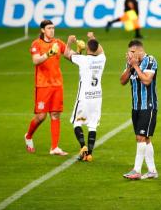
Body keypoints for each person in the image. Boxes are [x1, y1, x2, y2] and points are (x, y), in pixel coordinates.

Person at [24, 19, 69, 156]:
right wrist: (50, 53)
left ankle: (54, 147)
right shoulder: (36, 44)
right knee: (41, 116)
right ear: (43, 30)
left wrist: (77, 48)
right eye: (49, 28)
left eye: (53, 28)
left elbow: (69, 55)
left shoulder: (58, 43)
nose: (52, 30)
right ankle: (28, 136)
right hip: (43, 85)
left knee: (55, 114)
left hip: (57, 84)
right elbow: (36, 60)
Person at [64, 32, 106, 162]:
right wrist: (92, 38)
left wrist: (69, 41)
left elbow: (66, 54)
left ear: (87, 48)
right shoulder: (102, 59)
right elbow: (100, 49)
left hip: (84, 97)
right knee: (92, 125)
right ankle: (89, 155)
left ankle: (83, 147)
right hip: (97, 97)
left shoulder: (83, 60)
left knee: (77, 122)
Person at [120, 40, 158, 180]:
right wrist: (130, 67)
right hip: (136, 106)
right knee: (145, 139)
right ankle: (152, 171)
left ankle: (136, 170)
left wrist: (135, 66)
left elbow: (147, 80)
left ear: (139, 51)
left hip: (148, 106)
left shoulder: (150, 60)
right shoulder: (131, 64)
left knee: (141, 137)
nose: (129, 54)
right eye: (128, 52)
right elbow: (122, 81)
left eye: (132, 52)